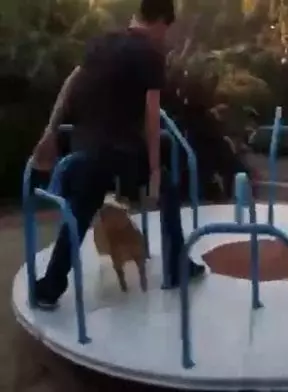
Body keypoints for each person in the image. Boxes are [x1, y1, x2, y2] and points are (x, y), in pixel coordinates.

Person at [30, 0, 205, 311]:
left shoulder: (101, 42)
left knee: (81, 207)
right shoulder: (150, 55)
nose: (164, 38)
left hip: (85, 149)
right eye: (165, 31)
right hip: (120, 151)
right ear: (161, 23)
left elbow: (70, 85)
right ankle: (178, 266)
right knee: (166, 185)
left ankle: (49, 288)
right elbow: (152, 117)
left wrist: (50, 130)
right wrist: (152, 170)